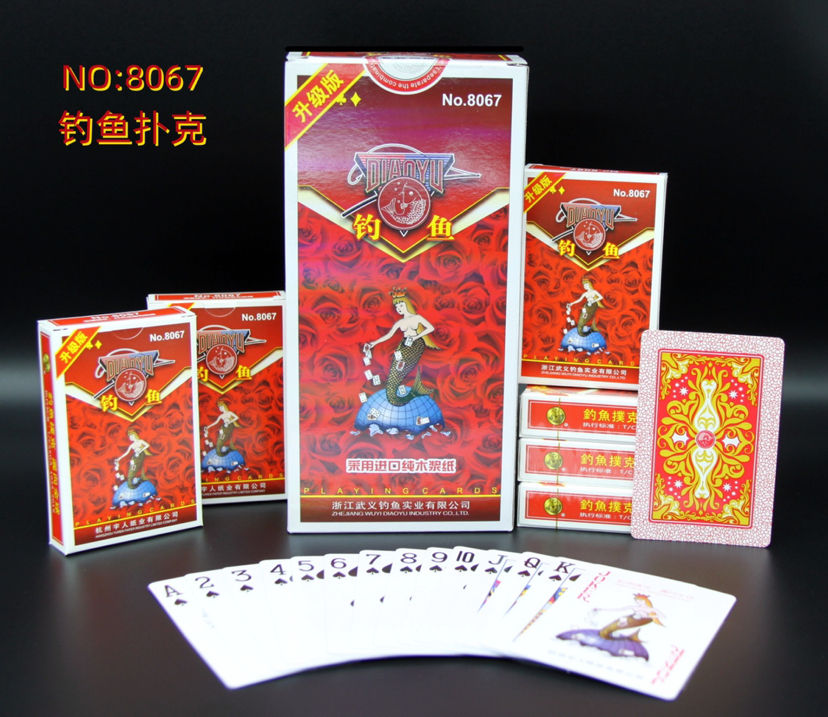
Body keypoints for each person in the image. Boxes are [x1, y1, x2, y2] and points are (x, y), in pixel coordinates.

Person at [364, 289, 439, 406]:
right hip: (404, 346)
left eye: (401, 305)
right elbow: (389, 335)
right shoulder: (399, 322)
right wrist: (374, 343)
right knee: (395, 372)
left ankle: (407, 393)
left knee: (401, 371)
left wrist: (416, 337)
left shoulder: (417, 318)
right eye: (397, 307)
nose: (399, 308)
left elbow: (430, 328)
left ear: (407, 304)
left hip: (416, 345)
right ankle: (399, 396)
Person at [557, 594, 666, 660]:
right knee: (608, 629)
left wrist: (647, 616)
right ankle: (605, 638)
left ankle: (613, 642)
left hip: (641, 620)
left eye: (639, 601)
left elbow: (662, 616)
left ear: (644, 601)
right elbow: (619, 609)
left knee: (614, 628)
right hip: (630, 618)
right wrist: (602, 609)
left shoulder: (651, 609)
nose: (637, 603)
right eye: (636, 601)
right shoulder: (634, 607)